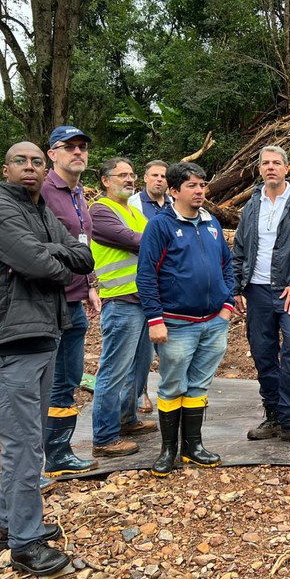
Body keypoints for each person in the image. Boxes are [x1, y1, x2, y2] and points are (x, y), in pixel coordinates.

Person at [0, 142, 93, 575]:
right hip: (9, 341)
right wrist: (52, 260)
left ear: (46, 170)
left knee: (28, 442)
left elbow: (84, 256)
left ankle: (7, 525)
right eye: (20, 161)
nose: (29, 167)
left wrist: (48, 257)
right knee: (23, 446)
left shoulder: (42, 213)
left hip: (43, 334)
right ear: (5, 169)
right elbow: (48, 266)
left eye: (36, 162)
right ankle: (25, 545)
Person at [137, 162, 235, 476]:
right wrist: (155, 318)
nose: (200, 191)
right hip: (176, 323)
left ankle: (194, 446)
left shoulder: (212, 222)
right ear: (174, 190)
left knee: (199, 386)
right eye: (192, 185)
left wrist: (227, 306)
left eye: (202, 185)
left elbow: (227, 265)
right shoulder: (161, 226)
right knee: (172, 386)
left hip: (213, 322)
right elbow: (146, 275)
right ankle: (169, 450)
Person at [233, 146, 290, 445]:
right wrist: (236, 287)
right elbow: (239, 249)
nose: (271, 167)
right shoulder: (252, 205)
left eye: (276, 163)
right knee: (262, 352)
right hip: (257, 291)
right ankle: (273, 415)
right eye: (265, 163)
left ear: (287, 168)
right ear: (259, 169)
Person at [40, 125, 100, 477]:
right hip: (52, 301)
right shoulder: (44, 192)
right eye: (69, 147)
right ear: (53, 153)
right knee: (58, 378)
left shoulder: (77, 194)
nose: (78, 152)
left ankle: (58, 450)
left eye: (82, 147)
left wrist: (90, 283)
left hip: (76, 300)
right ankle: (55, 455)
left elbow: (83, 246)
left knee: (72, 376)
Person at [89, 157, 157, 458]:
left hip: (143, 302)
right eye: (122, 175)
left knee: (139, 368)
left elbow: (151, 239)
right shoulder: (101, 212)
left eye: (132, 175)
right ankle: (104, 436)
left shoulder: (134, 212)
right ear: (106, 180)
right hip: (120, 302)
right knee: (113, 371)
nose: (129, 180)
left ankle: (127, 419)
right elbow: (136, 241)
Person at [128, 160, 171, 414]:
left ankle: (175, 389)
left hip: (170, 280)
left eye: (163, 176)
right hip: (143, 279)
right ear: (144, 178)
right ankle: (141, 390)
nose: (159, 180)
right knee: (143, 343)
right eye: (154, 175)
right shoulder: (134, 204)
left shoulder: (174, 205)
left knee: (170, 339)